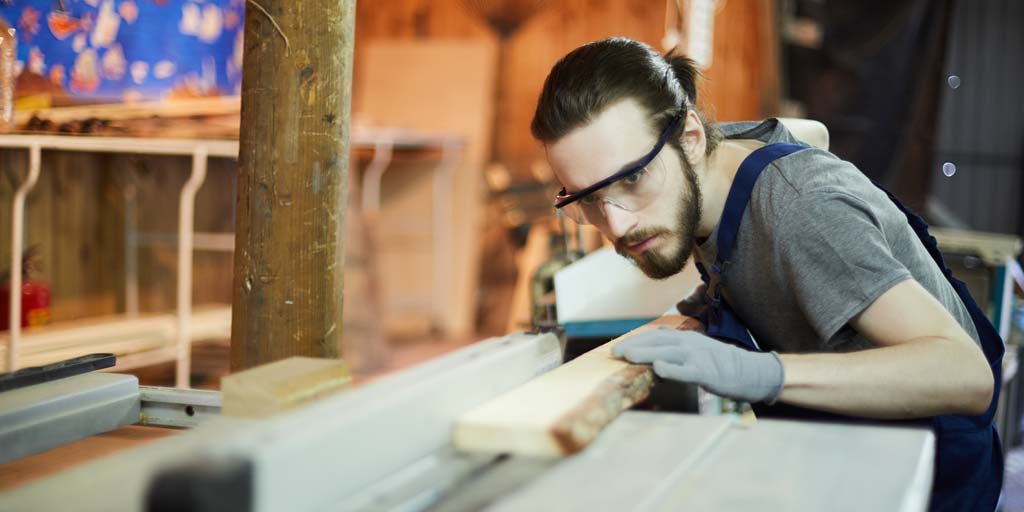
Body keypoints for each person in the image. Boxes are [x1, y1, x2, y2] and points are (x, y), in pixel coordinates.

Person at [531, 37, 1003, 511]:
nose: (616, 225)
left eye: (632, 178)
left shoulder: (802, 209)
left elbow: (966, 375)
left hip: (929, 476)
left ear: (691, 137)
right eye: (587, 199)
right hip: (852, 453)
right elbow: (807, 134)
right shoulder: (711, 171)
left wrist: (761, 373)